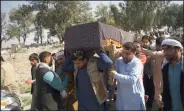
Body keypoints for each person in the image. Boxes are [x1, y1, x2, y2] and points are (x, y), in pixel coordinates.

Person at [109, 42, 145, 110]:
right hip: (121, 99)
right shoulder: (119, 61)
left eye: (128, 54)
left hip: (134, 100)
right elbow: (113, 77)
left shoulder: (137, 63)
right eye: (123, 52)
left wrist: (115, 74)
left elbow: (132, 80)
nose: (125, 55)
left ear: (134, 53)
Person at [142, 37, 165, 110]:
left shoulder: (162, 53)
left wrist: (141, 49)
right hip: (153, 76)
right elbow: (148, 58)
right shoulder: (157, 52)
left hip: (160, 79)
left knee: (158, 95)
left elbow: (151, 54)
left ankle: (162, 107)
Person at [161, 39, 184, 111]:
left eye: (168, 49)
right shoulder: (165, 68)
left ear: (178, 49)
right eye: (164, 50)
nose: (165, 53)